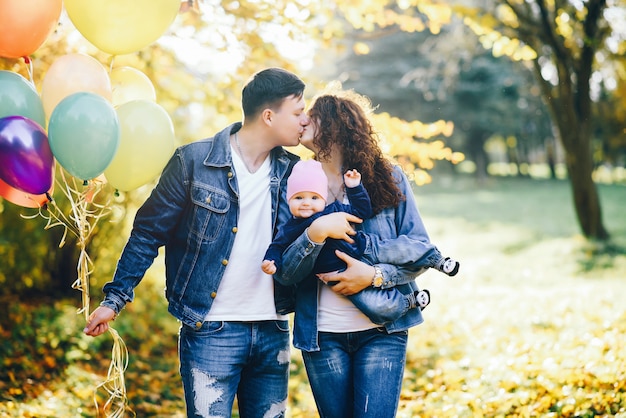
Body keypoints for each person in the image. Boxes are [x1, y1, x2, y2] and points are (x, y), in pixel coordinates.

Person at [83, 68, 310, 418]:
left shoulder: (295, 173)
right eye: (297, 112)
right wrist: (114, 300)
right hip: (211, 330)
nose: (304, 120)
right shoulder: (192, 162)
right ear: (268, 116)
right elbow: (148, 232)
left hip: (273, 328)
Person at [274, 85, 453, 417]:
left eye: (312, 117)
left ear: (336, 127)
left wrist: (373, 276)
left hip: (383, 332)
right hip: (322, 335)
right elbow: (285, 272)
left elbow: (417, 247)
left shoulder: (386, 177)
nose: (303, 122)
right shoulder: (296, 183)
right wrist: (314, 235)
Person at [262, 159, 442, 325]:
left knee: (401, 249)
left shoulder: (333, 210)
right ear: (289, 200)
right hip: (339, 274)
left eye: (314, 198)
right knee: (378, 308)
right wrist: (271, 261)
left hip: (365, 249)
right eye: (298, 198)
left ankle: (437, 259)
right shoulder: (289, 228)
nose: (306, 203)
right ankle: (410, 301)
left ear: (323, 199)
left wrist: (354, 188)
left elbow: (361, 211)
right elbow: (277, 247)